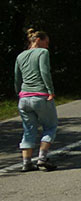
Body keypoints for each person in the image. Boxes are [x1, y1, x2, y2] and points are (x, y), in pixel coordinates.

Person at [14, 29, 58, 172]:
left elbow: (17, 78)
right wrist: (50, 91)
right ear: (38, 39)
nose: (47, 46)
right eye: (46, 42)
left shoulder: (20, 56)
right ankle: (42, 159)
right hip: (40, 95)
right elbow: (44, 71)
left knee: (28, 130)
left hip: (24, 97)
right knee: (50, 126)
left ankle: (26, 162)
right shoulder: (42, 53)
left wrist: (19, 94)